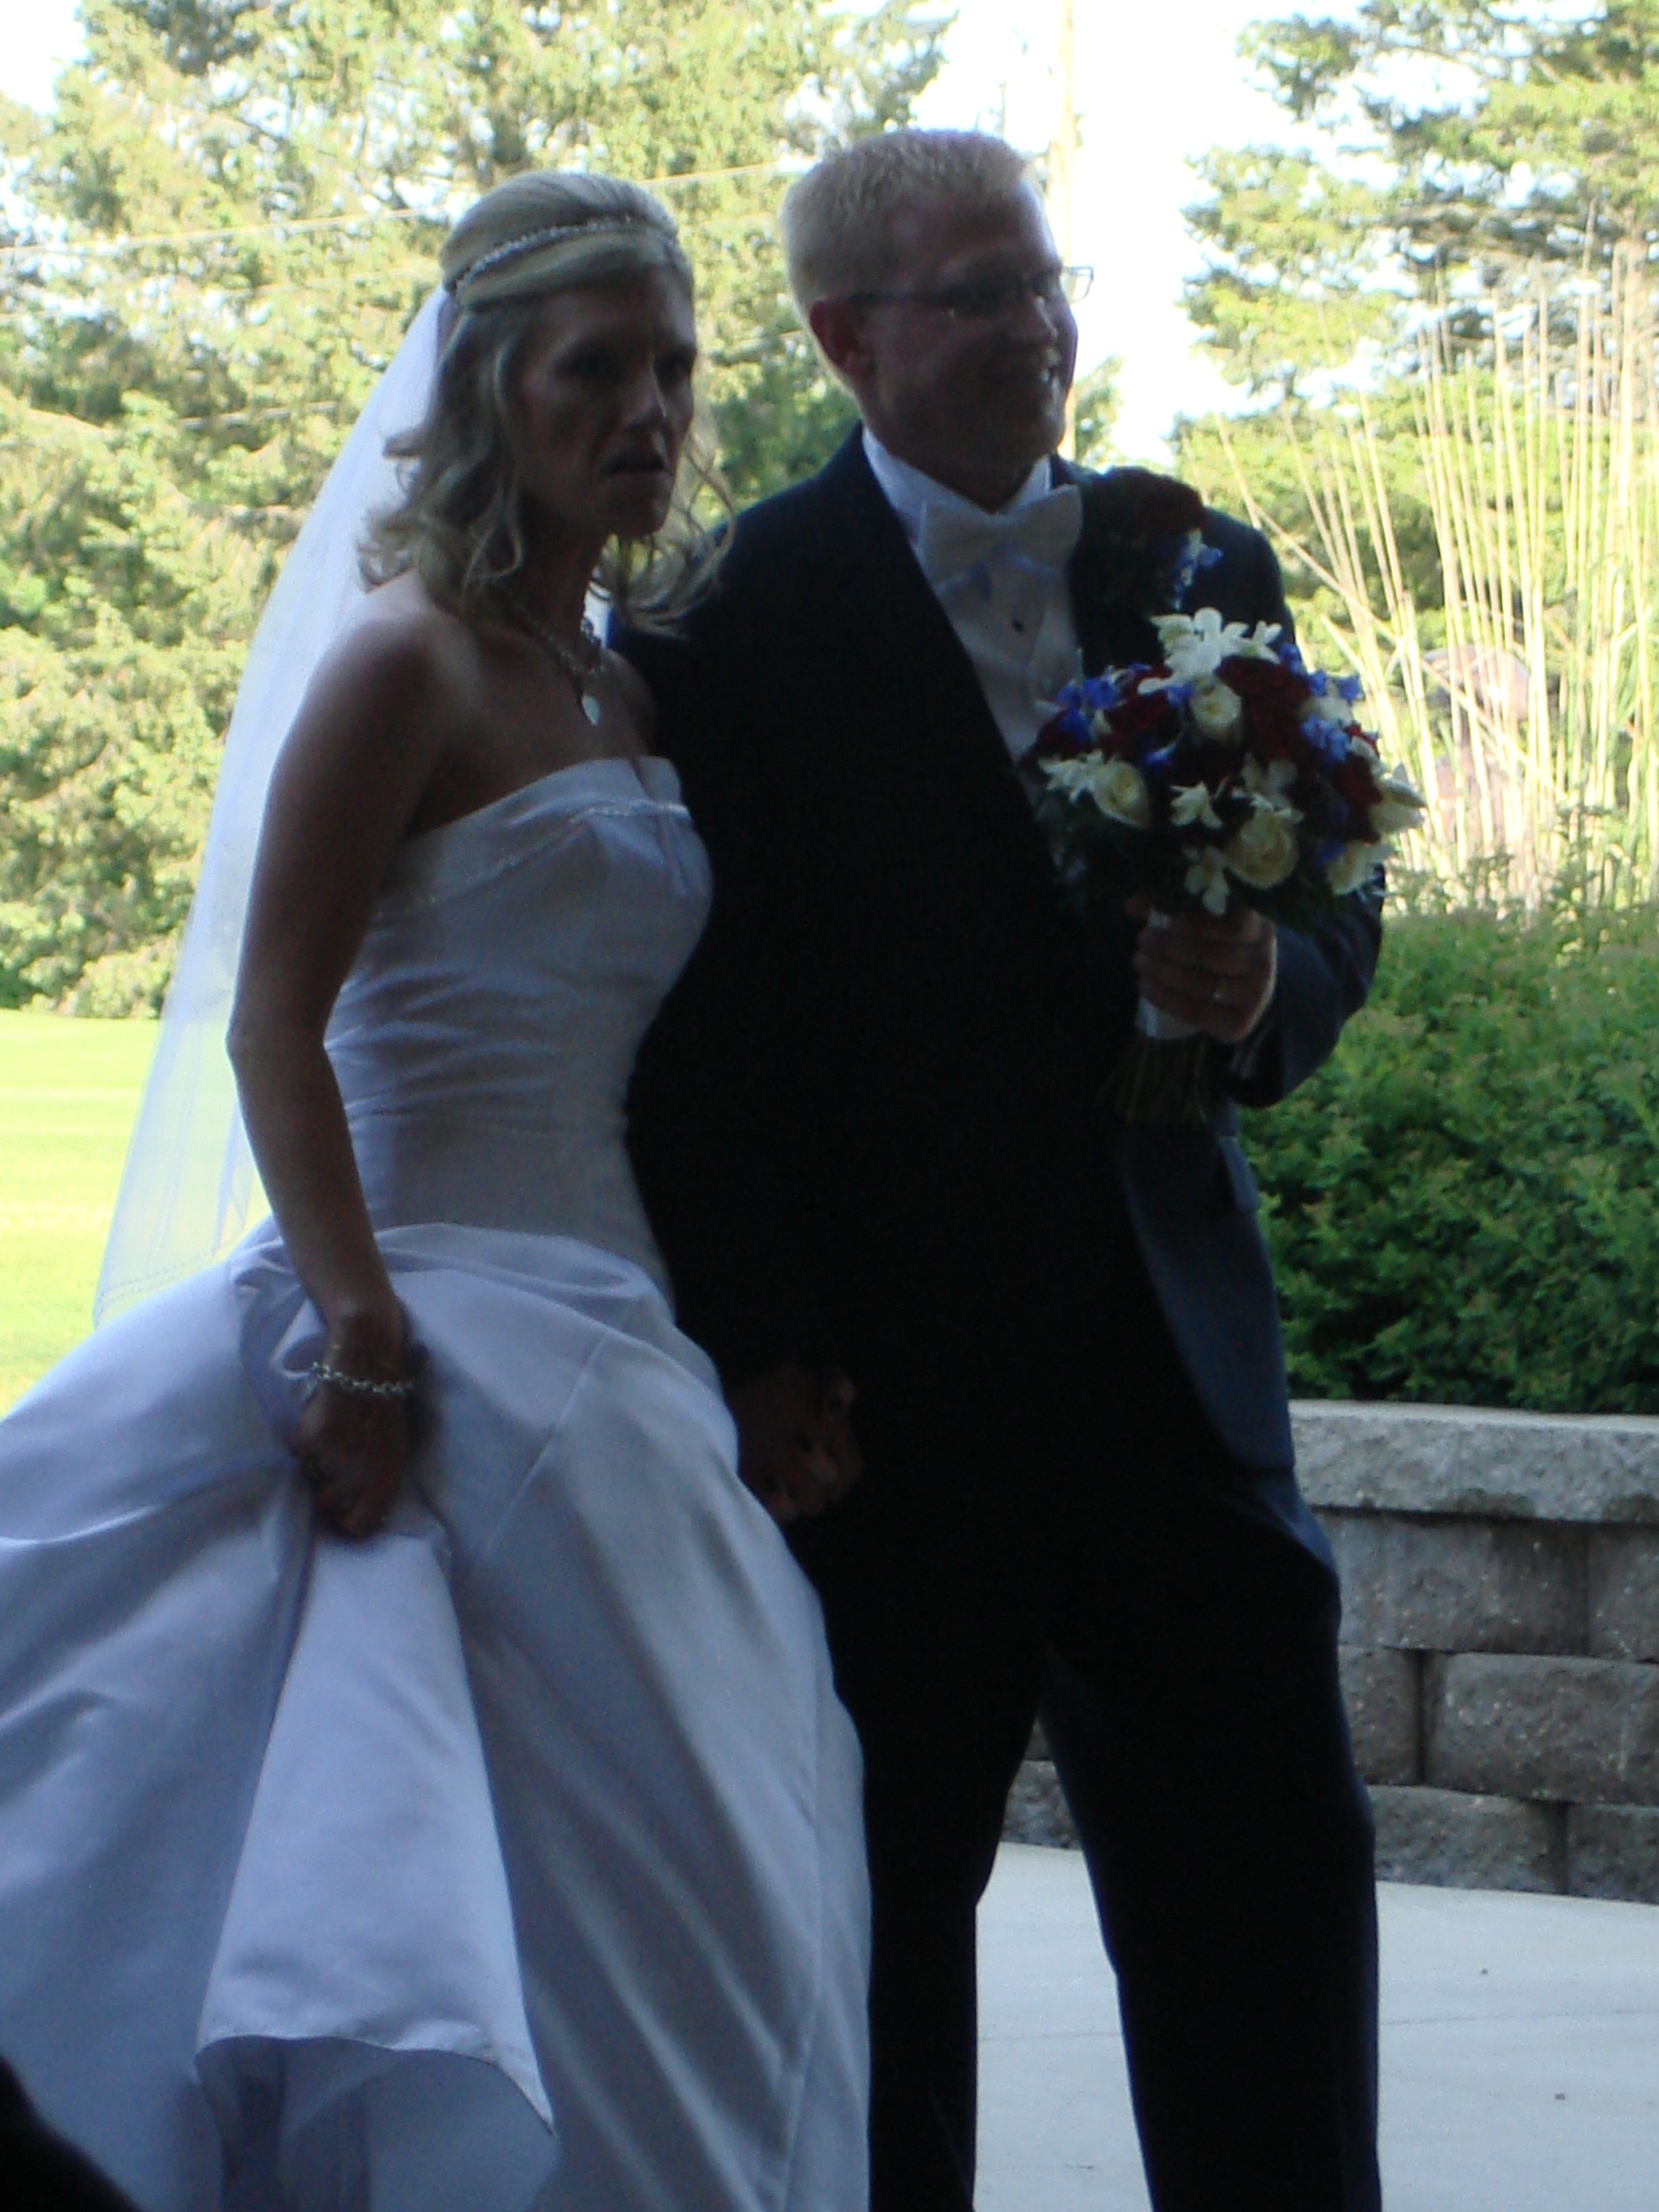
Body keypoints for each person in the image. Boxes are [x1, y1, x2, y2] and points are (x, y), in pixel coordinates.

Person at [0, 171, 869, 2212]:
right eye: (596, 370)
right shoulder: (406, 664)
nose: (649, 411)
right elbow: (271, 1026)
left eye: (674, 369)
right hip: (415, 1311)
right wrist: (365, 1332)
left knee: (706, 1883)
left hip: (619, 1339)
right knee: (406, 1885)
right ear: (490, 391)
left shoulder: (624, 684)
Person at [619, 129, 1383, 2212]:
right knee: (879, 1966)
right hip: (892, 1416)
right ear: (845, 338)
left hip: (1179, 1389)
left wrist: (1263, 988)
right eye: (980, 293)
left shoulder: (1196, 567)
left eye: (1048, 281)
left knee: (1271, 1931)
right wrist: (764, 1344)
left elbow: (1337, 893)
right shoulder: (734, 615)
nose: (1038, 328)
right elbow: (704, 1033)